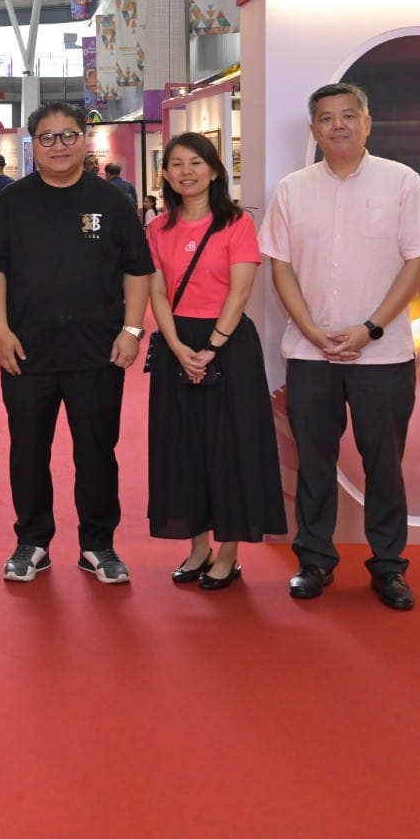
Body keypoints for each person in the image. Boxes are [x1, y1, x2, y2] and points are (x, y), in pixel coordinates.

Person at [260, 83, 420, 611]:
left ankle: (389, 566)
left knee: (383, 463)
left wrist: (371, 329)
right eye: (326, 117)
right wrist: (312, 330)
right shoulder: (293, 189)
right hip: (309, 352)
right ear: (314, 129)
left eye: (348, 115)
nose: (337, 125)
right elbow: (281, 267)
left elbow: (419, 264)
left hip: (382, 355)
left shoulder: (402, 183)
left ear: (368, 122)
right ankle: (314, 560)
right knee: (314, 461)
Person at [0, 101, 153, 584]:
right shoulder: (13, 202)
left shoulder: (111, 201)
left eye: (69, 135)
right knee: (28, 449)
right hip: (26, 353)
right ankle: (32, 542)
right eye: (49, 137)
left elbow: (138, 270)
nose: (59, 145)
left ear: (84, 141)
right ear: (34, 145)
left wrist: (132, 330)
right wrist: (0, 331)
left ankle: (98, 544)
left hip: (97, 353)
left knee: (97, 451)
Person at [145, 132, 287, 589]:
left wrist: (211, 347)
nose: (186, 171)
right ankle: (198, 547)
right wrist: (176, 346)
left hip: (228, 346)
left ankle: (228, 553)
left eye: (196, 162)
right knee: (184, 447)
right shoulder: (157, 228)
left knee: (231, 447)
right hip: (176, 344)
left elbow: (241, 290)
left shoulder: (237, 223)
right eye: (176, 164)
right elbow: (157, 293)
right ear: (164, 174)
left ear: (214, 170)